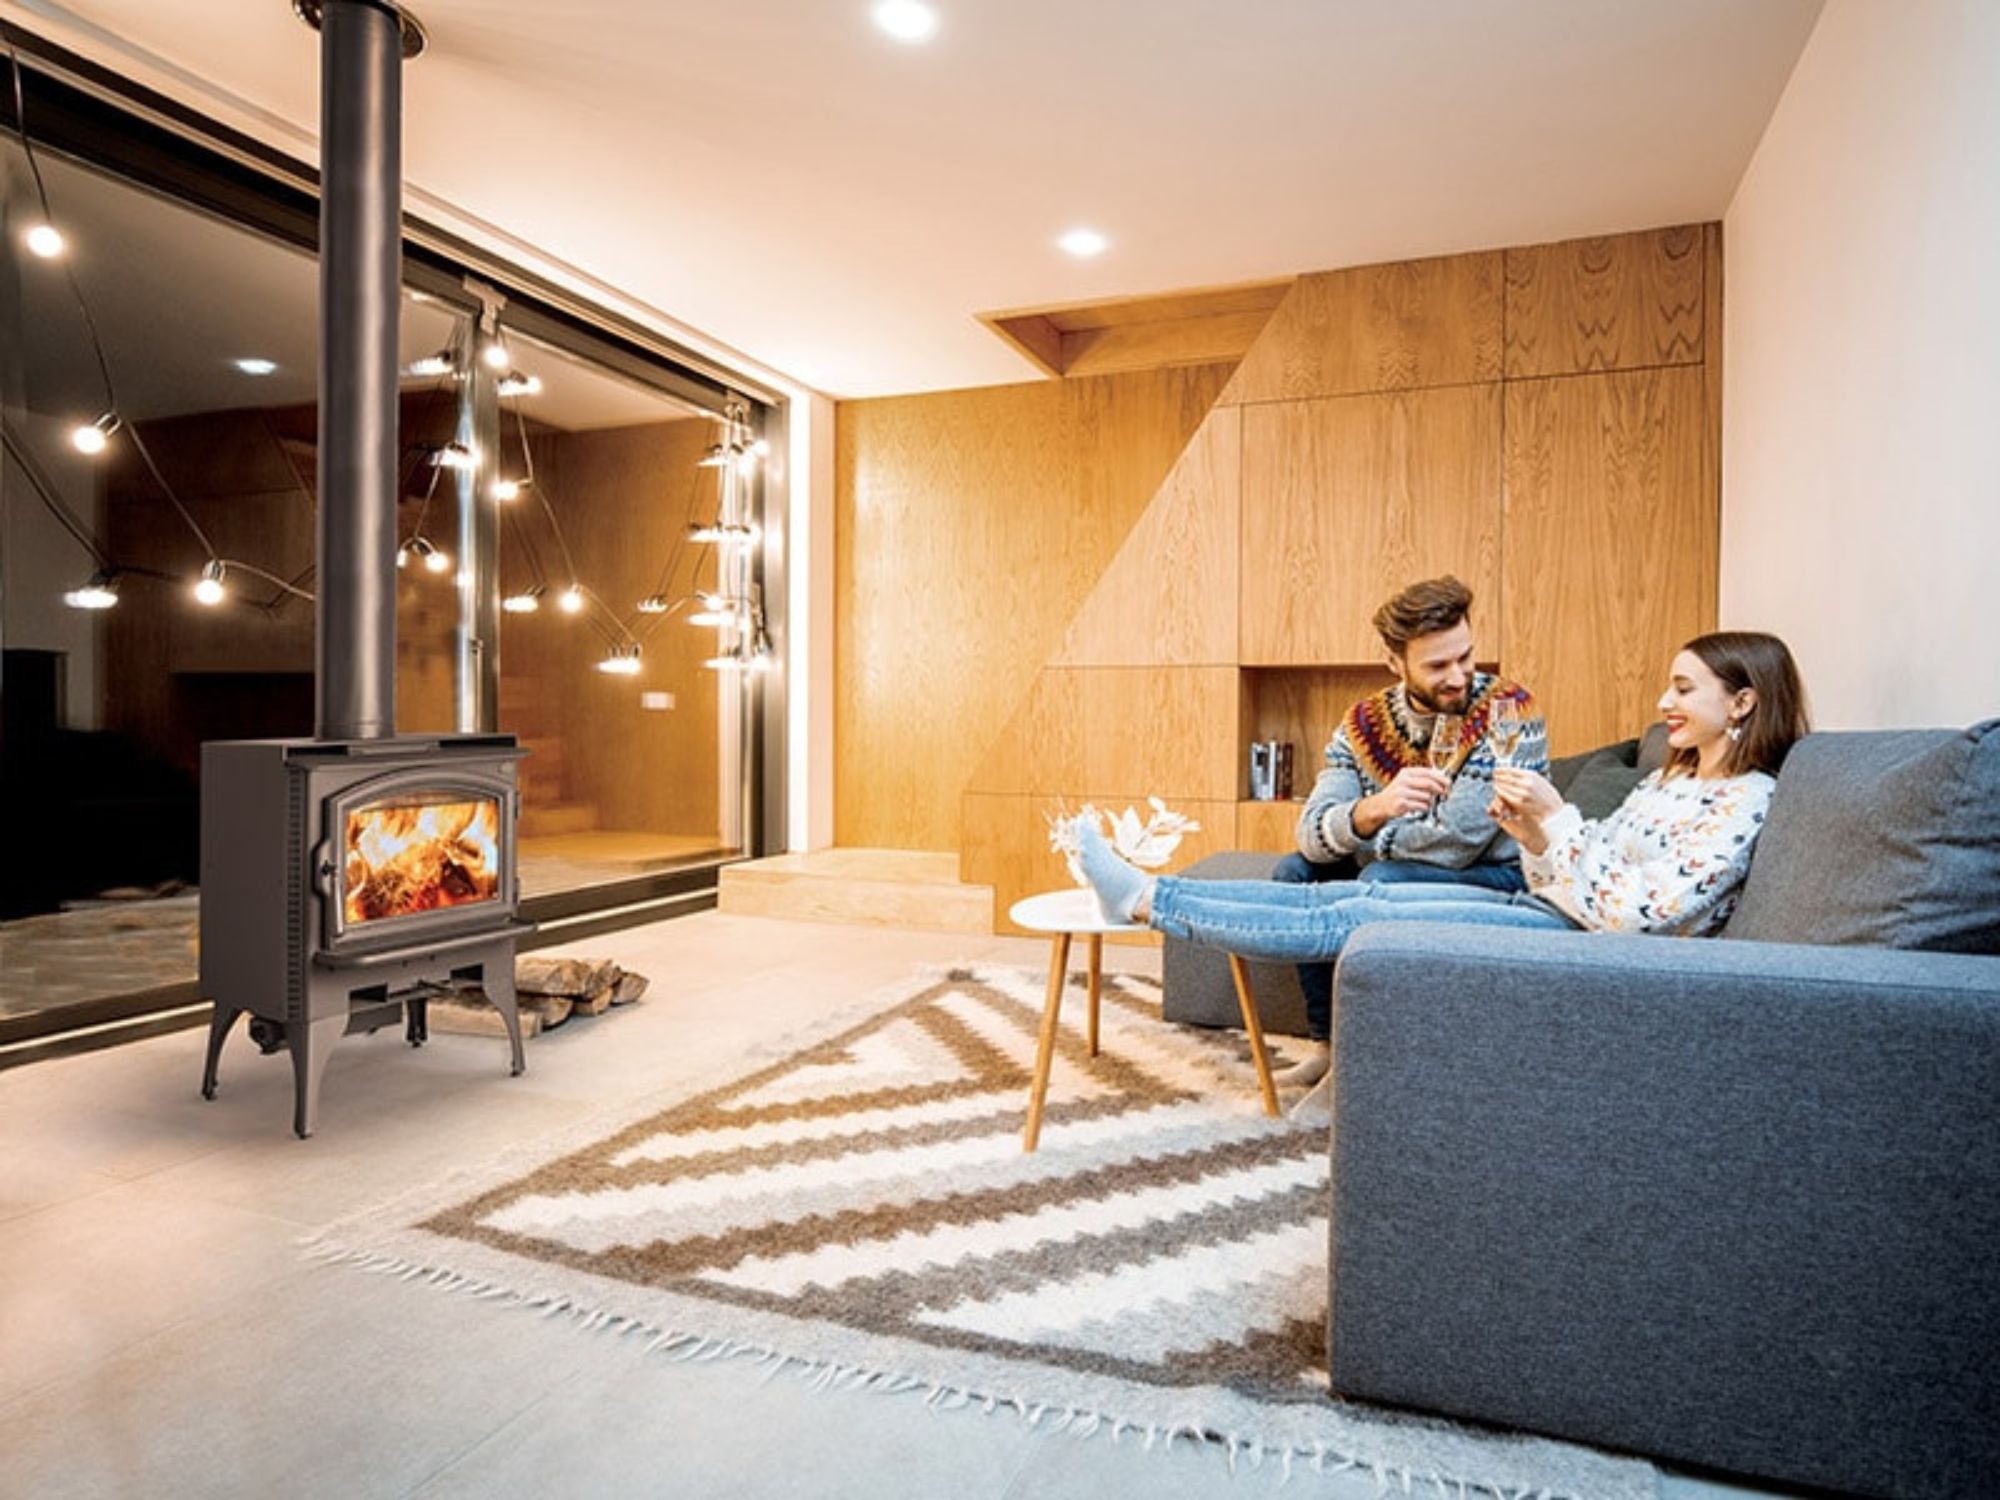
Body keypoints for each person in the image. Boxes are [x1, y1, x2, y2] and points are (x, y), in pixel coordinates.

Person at [1078, 632, 1809, 1103]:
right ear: (1397, 662)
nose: (1664, 702)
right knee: (1323, 893)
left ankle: (1145, 901)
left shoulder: (1747, 801)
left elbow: (1637, 915)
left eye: (1684, 689)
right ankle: (1150, 896)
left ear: (1742, 701)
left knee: (1363, 915)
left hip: (1592, 954)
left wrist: (1552, 822)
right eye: (1671, 686)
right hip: (1550, 913)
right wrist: (1533, 833)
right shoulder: (1672, 781)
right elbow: (1575, 870)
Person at [1273, 575, 1548, 1088]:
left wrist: (1366, 833)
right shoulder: (1362, 724)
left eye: (1465, 657)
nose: (1459, 676)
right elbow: (1311, 833)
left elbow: (1458, 842)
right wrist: (1375, 807)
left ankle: (1375, 1053)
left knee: (1384, 875)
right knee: (1294, 872)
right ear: (1395, 663)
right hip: (1394, 858)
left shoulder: (1509, 712)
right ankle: (1327, 1044)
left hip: (1502, 873)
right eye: (1438, 666)